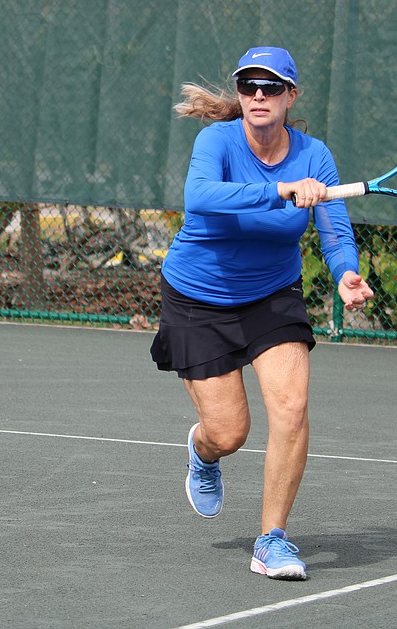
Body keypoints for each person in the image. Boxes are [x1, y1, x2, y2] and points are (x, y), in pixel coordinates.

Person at [150, 46, 373, 580]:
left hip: (273, 294)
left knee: (292, 408)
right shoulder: (217, 141)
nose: (257, 95)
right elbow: (200, 196)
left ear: (290, 96)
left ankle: (272, 539)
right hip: (199, 296)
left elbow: (335, 231)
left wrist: (345, 271)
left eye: (271, 87)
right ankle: (203, 453)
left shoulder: (315, 156)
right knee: (229, 433)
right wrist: (279, 190)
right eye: (248, 86)